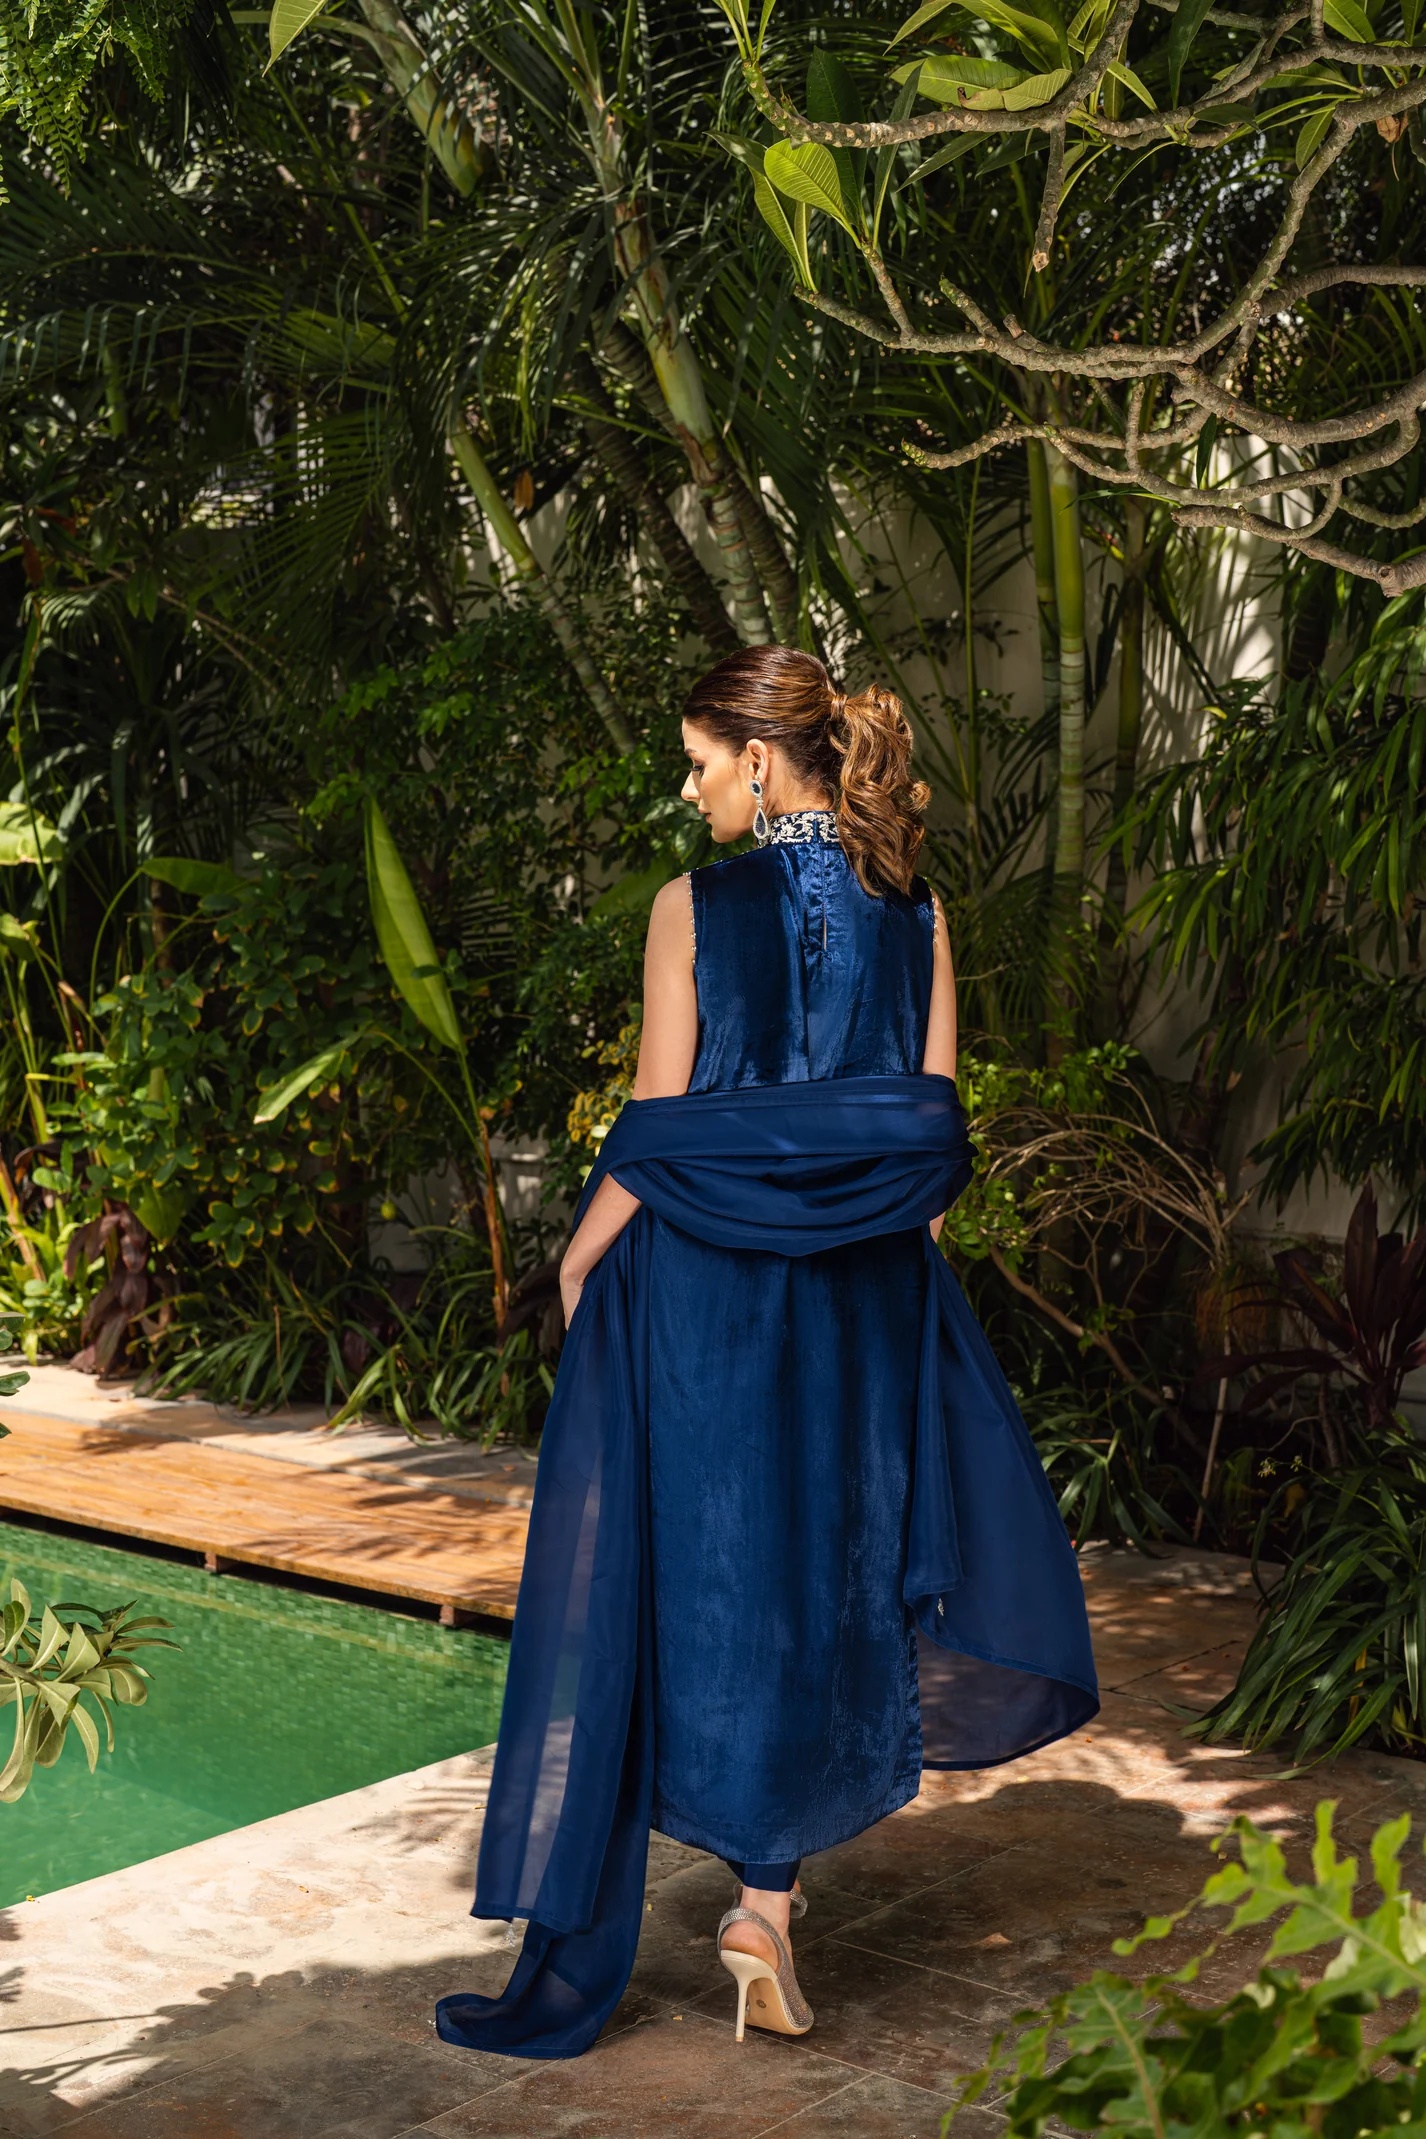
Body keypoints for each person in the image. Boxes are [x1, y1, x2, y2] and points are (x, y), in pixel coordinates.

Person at [436, 645, 1099, 2062]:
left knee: (697, 1575)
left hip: (704, 1293)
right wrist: (860, 1226)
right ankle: (763, 1912)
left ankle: (704, 1886)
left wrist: (578, 1254)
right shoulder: (918, 913)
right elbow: (932, 1133)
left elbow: (656, 1118)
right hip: (865, 1294)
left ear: (754, 757)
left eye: (696, 763)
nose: (689, 792)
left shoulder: (691, 907)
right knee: (827, 1579)